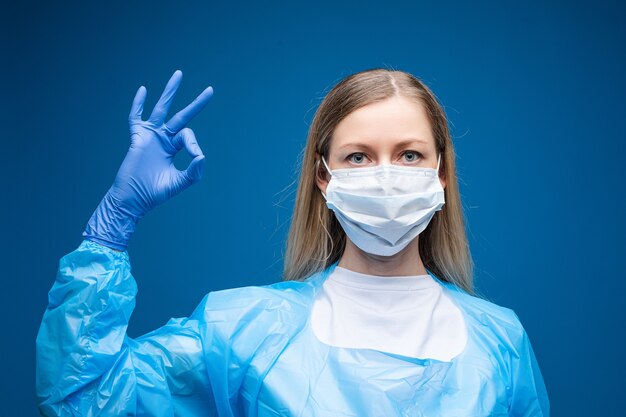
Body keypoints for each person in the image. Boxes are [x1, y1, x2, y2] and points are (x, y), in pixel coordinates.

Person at [36, 68, 550, 416]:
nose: (386, 175)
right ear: (324, 177)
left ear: (441, 173)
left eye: (410, 155)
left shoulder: (499, 341)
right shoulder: (247, 331)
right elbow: (83, 398)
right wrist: (112, 225)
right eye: (358, 156)